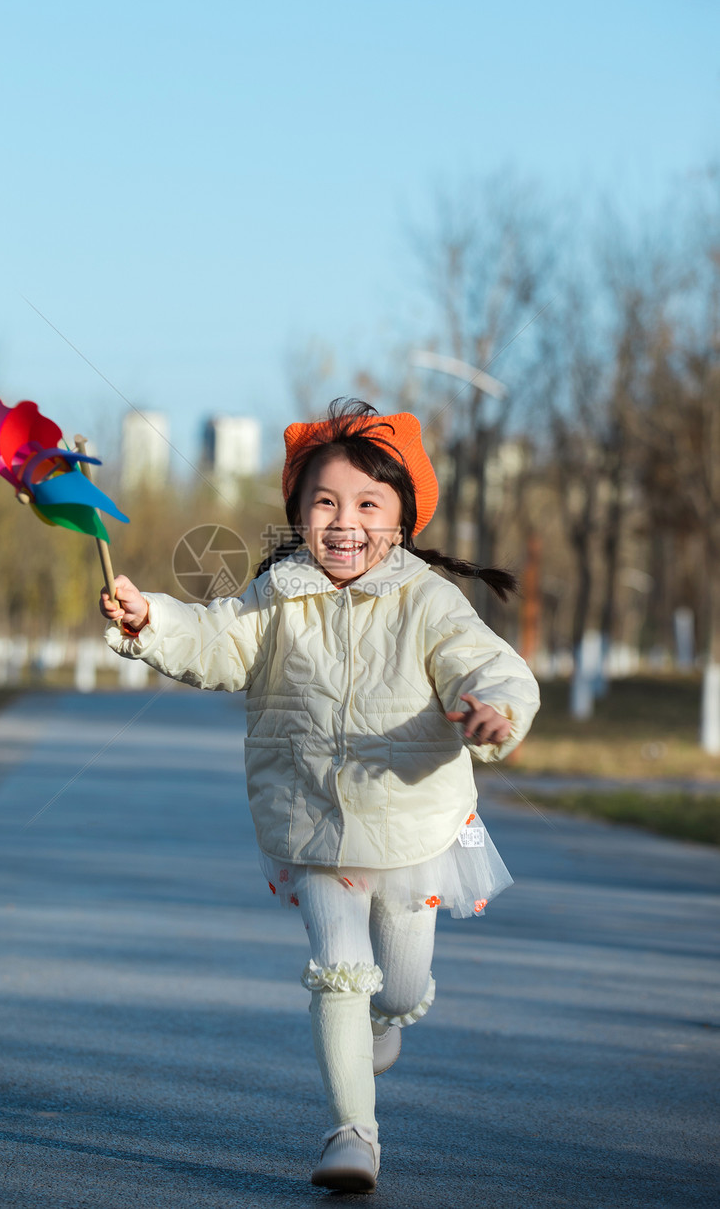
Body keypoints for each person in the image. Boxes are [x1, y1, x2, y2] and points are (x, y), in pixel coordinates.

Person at [100, 397, 540, 1193]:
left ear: (402, 518)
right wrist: (148, 620)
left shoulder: (429, 601)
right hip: (313, 821)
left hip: (411, 823)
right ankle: (351, 1134)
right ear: (299, 514)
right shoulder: (277, 598)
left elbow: (488, 664)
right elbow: (213, 643)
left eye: (369, 504)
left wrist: (494, 709)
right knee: (339, 967)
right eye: (325, 503)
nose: (345, 522)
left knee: (398, 986)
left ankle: (386, 1018)